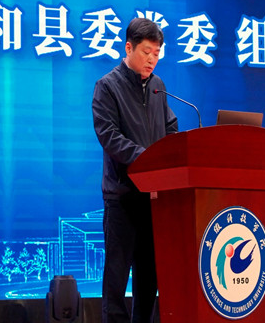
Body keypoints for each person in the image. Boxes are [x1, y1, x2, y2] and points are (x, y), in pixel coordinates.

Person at [92, 17, 178, 323]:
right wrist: (148, 158)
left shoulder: (158, 87)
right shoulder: (107, 86)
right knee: (116, 278)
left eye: (157, 53)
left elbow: (170, 127)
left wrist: (173, 154)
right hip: (123, 197)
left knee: (149, 277)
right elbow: (109, 136)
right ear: (128, 48)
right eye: (146, 52)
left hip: (153, 199)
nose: (152, 59)